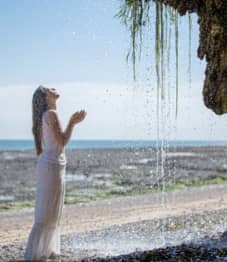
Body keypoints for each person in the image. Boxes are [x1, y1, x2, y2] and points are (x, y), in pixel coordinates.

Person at [24, 85, 87, 261]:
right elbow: (62, 141)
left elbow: (52, 145)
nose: (54, 88)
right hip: (52, 166)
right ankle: (37, 253)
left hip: (50, 165)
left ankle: (47, 251)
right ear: (46, 97)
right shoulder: (51, 114)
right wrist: (73, 122)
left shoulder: (44, 116)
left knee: (50, 209)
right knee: (49, 210)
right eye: (50, 88)